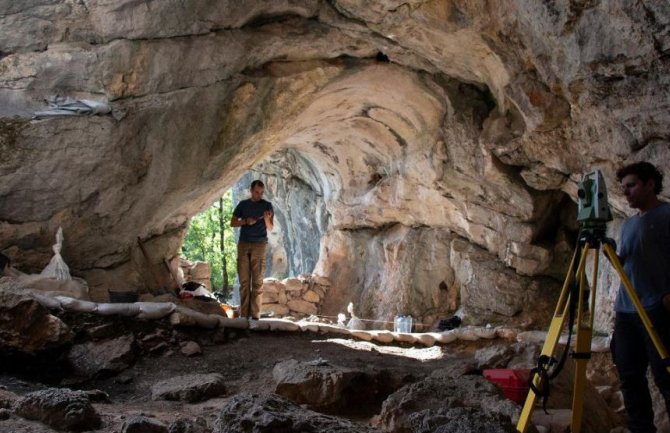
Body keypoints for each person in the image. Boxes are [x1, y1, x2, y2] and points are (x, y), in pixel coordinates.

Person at [612, 161, 670, 433]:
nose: (626, 192)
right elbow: (626, 264)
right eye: (623, 188)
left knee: (665, 377)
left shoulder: (667, 215)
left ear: (650, 184)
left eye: (632, 185)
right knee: (629, 376)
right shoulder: (628, 224)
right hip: (626, 311)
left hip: (656, 308)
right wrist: (612, 254)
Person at [231, 180, 274, 320]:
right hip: (243, 244)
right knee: (244, 282)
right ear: (251, 190)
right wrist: (245, 221)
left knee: (257, 282)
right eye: (256, 192)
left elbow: (270, 227)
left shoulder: (267, 205)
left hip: (259, 245)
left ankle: (255, 316)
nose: (259, 195)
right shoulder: (243, 205)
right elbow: (232, 222)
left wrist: (267, 219)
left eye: (261, 193)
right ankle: (244, 316)